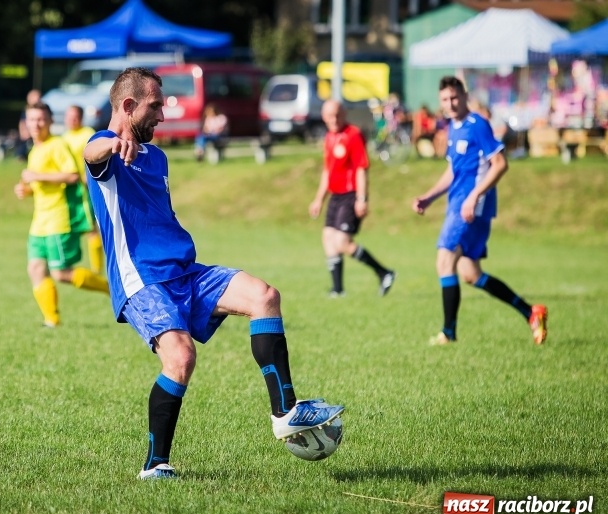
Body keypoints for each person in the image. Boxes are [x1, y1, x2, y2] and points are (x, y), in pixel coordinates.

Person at [83, 67, 345, 480]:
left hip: (186, 271)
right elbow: (91, 153)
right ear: (128, 106)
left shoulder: (159, 156)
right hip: (143, 281)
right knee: (181, 357)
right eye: (155, 106)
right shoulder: (106, 151)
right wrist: (113, 142)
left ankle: (286, 413)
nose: (163, 115)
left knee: (265, 296)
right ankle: (155, 464)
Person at [412, 76, 548, 346]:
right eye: (445, 100)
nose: (450, 104)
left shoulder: (477, 125)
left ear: (464, 96)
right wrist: (429, 197)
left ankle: (448, 334)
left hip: (470, 207)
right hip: (460, 204)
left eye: (454, 98)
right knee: (470, 273)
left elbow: (499, 163)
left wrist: (474, 196)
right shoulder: (453, 127)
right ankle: (531, 312)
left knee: (444, 260)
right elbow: (453, 171)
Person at [13, 101, 110, 328]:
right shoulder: (36, 148)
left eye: (40, 119)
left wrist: (36, 176)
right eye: (31, 120)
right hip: (39, 222)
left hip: (59, 220)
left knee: (61, 274)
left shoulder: (57, 145)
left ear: (50, 121)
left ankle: (108, 288)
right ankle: (52, 320)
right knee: (35, 268)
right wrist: (26, 190)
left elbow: (72, 175)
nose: (36, 124)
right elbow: (41, 183)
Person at [308, 99, 395, 298]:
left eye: (337, 114)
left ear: (344, 114)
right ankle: (338, 290)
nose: (334, 119)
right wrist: (318, 199)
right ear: (323, 117)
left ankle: (384, 273)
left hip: (351, 194)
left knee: (342, 242)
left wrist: (361, 198)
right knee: (328, 238)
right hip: (335, 195)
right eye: (329, 115)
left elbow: (361, 168)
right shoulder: (330, 137)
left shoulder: (353, 135)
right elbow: (327, 171)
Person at [62, 105, 104, 274]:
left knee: (90, 227)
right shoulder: (63, 138)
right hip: (68, 189)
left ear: (81, 117)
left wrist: (89, 176)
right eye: (69, 116)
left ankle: (97, 269)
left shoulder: (87, 133)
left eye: (75, 116)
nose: (72, 120)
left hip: (84, 187)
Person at [15, 89, 41, 161]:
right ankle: (20, 156)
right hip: (28, 132)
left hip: (37, 132)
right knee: (22, 140)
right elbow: (22, 122)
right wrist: (23, 132)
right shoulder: (27, 110)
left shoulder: (42, 111)